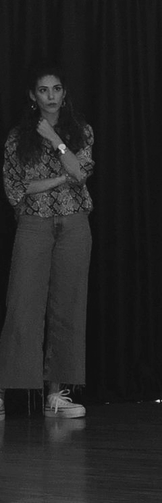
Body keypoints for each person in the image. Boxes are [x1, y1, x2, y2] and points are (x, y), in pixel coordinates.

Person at [0, 64, 94, 420]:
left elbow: (82, 172)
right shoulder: (17, 138)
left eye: (56, 89)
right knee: (22, 305)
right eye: (43, 90)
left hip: (74, 223)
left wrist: (55, 140)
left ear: (64, 93)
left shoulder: (81, 131)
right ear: (32, 95)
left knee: (68, 306)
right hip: (34, 224)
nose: (51, 96)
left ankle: (57, 394)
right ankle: (5, 392)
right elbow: (16, 189)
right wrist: (61, 178)